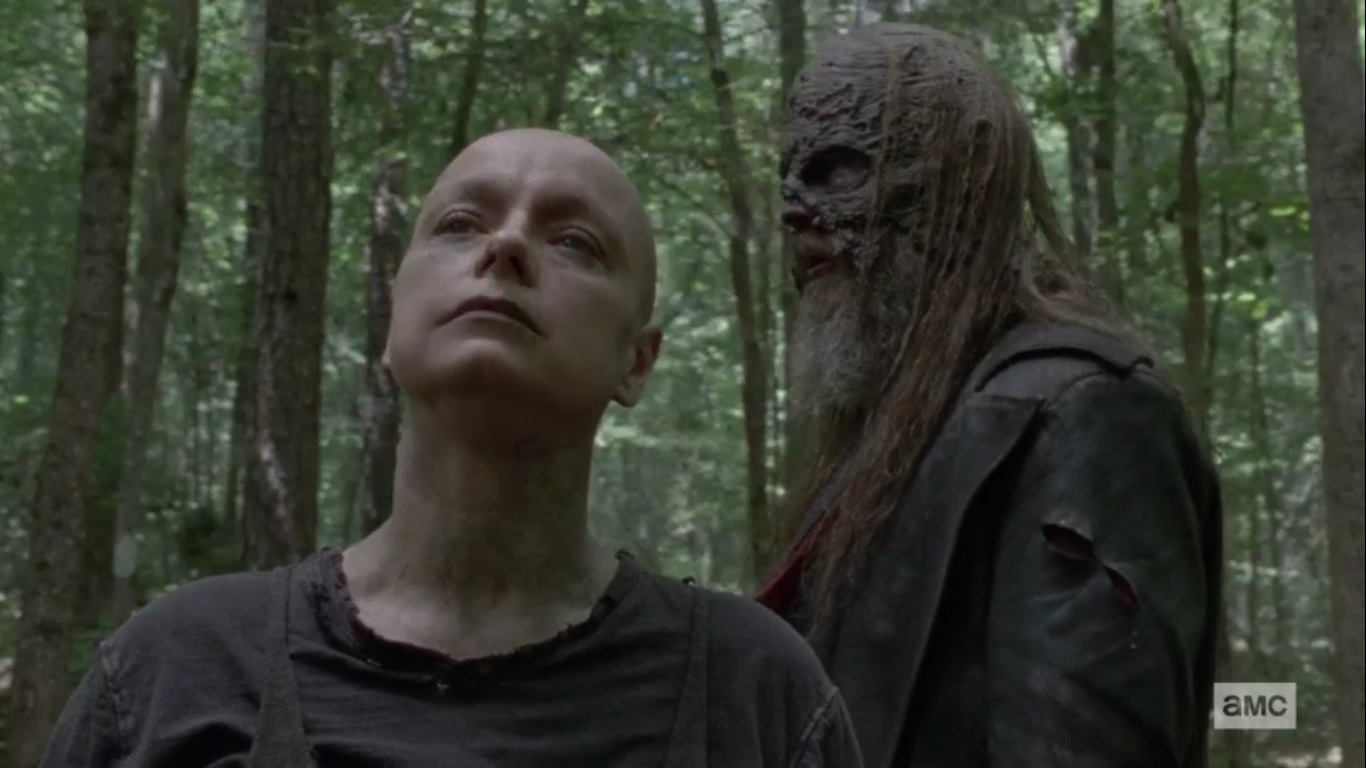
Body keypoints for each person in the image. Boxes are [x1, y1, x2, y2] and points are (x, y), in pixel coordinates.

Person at [43, 128, 864, 768]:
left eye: (575, 242)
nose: (505, 246)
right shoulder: (176, 670)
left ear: (637, 362)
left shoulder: (753, 691)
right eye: (460, 224)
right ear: (392, 318)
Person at [757, 23, 1223, 768]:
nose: (793, 207)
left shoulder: (1081, 412)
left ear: (959, 176)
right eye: (788, 174)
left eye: (837, 169)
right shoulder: (897, 428)